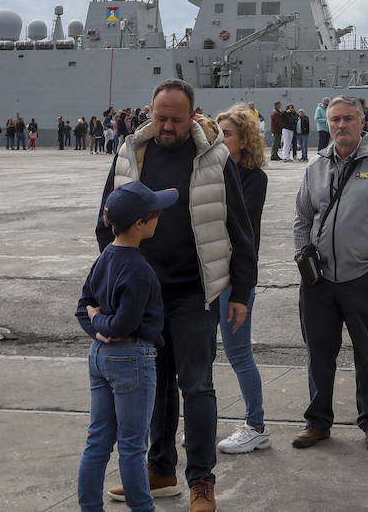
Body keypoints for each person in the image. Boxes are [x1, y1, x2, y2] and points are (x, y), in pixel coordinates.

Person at [95, 80, 257, 512]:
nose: (166, 126)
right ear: (150, 111)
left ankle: (202, 481)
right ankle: (160, 470)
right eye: (160, 117)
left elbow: (239, 230)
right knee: (153, 386)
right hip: (142, 296)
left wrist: (240, 292)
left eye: (176, 119)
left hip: (194, 293)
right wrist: (113, 282)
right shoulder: (131, 153)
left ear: (192, 115)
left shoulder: (214, 157)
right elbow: (105, 222)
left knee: (197, 385)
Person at [290, 95, 368, 451]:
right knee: (319, 354)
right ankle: (317, 421)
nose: (341, 125)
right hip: (319, 281)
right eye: (335, 119)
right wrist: (303, 257)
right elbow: (301, 218)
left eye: (348, 119)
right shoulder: (315, 167)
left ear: (362, 122)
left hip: (364, 278)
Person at [76, 182, 174, 512]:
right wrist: (105, 328)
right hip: (132, 358)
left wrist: (96, 327)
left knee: (98, 440)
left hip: (100, 358)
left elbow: (85, 307)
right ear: (139, 224)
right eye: (155, 214)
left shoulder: (105, 258)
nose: (159, 219)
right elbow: (121, 326)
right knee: (132, 446)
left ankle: (89, 507)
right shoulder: (139, 270)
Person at [213, 106, 271, 456]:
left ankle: (256, 426)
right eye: (217, 133)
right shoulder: (210, 171)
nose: (220, 139)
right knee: (201, 353)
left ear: (244, 140)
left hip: (235, 278)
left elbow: (241, 228)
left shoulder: (253, 179)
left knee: (238, 352)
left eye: (228, 134)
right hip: (206, 274)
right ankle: (204, 418)